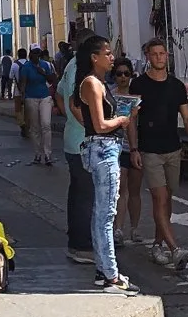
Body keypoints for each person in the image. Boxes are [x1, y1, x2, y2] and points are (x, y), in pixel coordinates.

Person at [128, 40, 188, 269]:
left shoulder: (176, 86)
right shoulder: (139, 85)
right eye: (155, 54)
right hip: (150, 149)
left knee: (167, 198)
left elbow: (187, 116)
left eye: (163, 54)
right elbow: (132, 119)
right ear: (148, 56)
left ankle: (158, 243)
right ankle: (175, 249)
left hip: (173, 148)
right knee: (159, 198)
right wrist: (134, 148)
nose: (159, 58)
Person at [73, 34, 133, 291]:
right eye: (107, 53)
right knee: (106, 213)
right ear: (94, 58)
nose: (111, 58)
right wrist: (121, 120)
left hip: (104, 148)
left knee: (104, 211)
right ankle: (110, 274)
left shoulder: (96, 83)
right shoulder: (92, 84)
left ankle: (104, 270)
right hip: (103, 148)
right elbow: (99, 124)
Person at [55, 47, 94, 264]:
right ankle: (82, 245)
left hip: (73, 139)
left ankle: (77, 239)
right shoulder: (84, 74)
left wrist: (67, 116)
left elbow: (60, 95)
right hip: (84, 142)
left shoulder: (71, 66)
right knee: (87, 196)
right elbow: (73, 103)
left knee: (78, 193)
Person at [110, 58, 144, 244]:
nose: (123, 77)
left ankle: (135, 228)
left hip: (138, 146)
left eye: (126, 74)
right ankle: (119, 229)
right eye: (119, 74)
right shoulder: (111, 96)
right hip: (119, 146)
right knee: (121, 189)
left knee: (135, 189)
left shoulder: (137, 97)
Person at [18, 45, 57, 164]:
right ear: (30, 54)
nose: (37, 55)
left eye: (38, 53)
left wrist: (44, 73)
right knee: (35, 127)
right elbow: (23, 83)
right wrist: (22, 97)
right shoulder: (26, 67)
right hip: (31, 98)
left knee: (46, 125)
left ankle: (48, 154)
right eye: (34, 53)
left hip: (45, 97)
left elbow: (51, 80)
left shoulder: (45, 65)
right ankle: (37, 153)